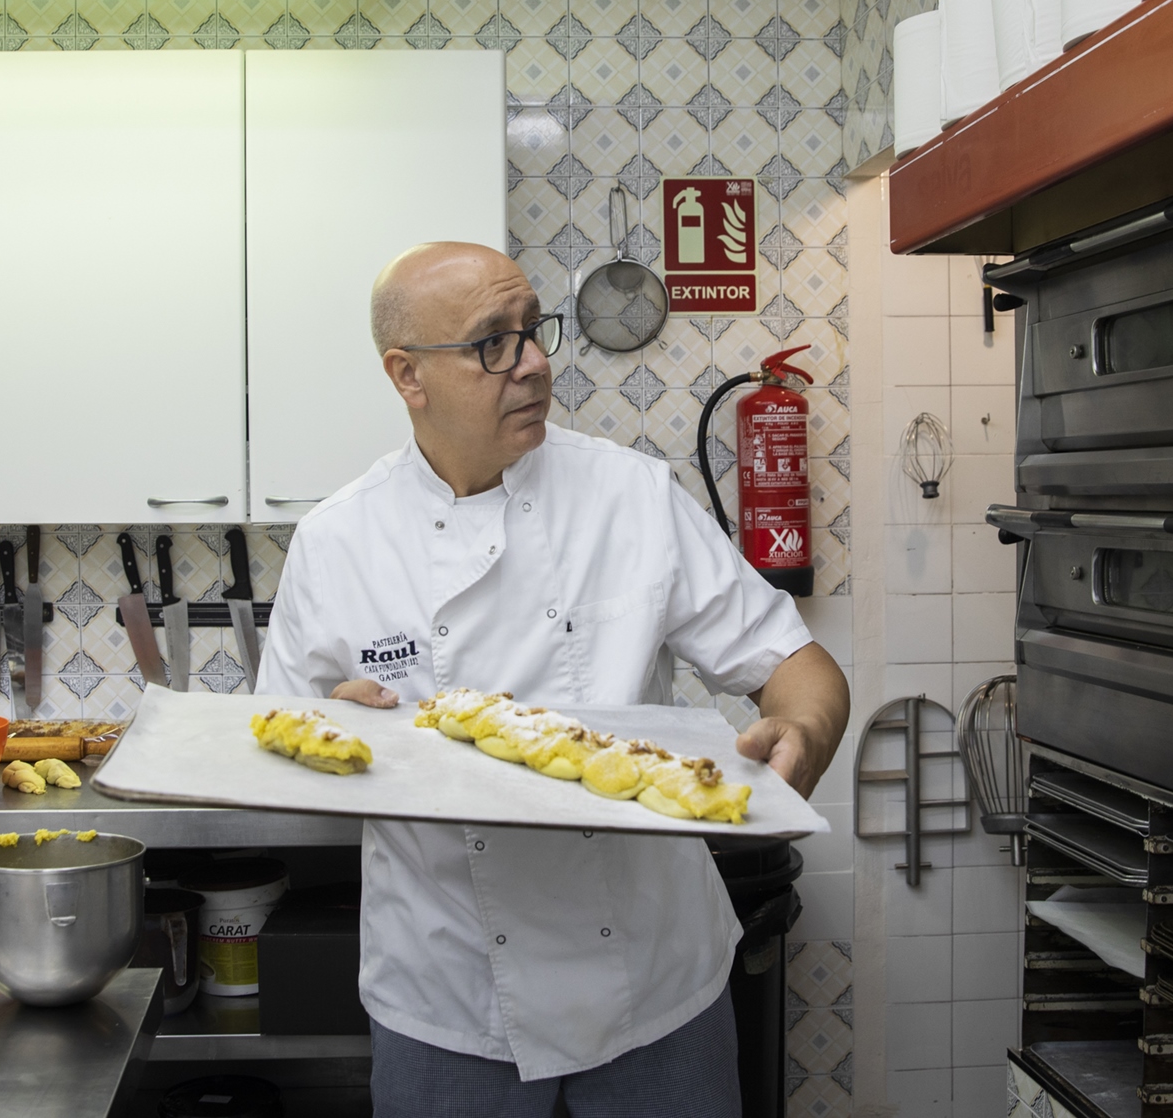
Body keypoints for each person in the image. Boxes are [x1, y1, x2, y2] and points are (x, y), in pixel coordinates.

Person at [256, 241, 851, 1117]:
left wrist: (802, 733)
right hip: (447, 997)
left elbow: (799, 668)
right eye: (492, 342)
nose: (534, 363)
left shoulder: (632, 498)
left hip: (655, 986)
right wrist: (340, 742)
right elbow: (274, 757)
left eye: (534, 330)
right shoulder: (337, 543)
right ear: (406, 375)